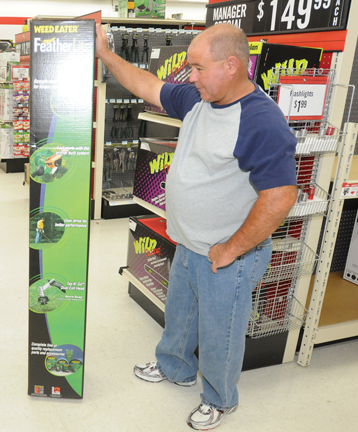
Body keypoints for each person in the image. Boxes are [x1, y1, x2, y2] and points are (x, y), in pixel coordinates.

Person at [95, 24, 298, 430]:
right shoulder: (200, 99)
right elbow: (147, 84)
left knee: (220, 332)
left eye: (198, 67)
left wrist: (231, 249)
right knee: (181, 313)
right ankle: (175, 367)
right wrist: (105, 55)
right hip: (190, 243)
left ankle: (219, 399)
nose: (190, 76)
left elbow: (280, 196)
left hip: (228, 255)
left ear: (231, 65)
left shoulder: (259, 120)